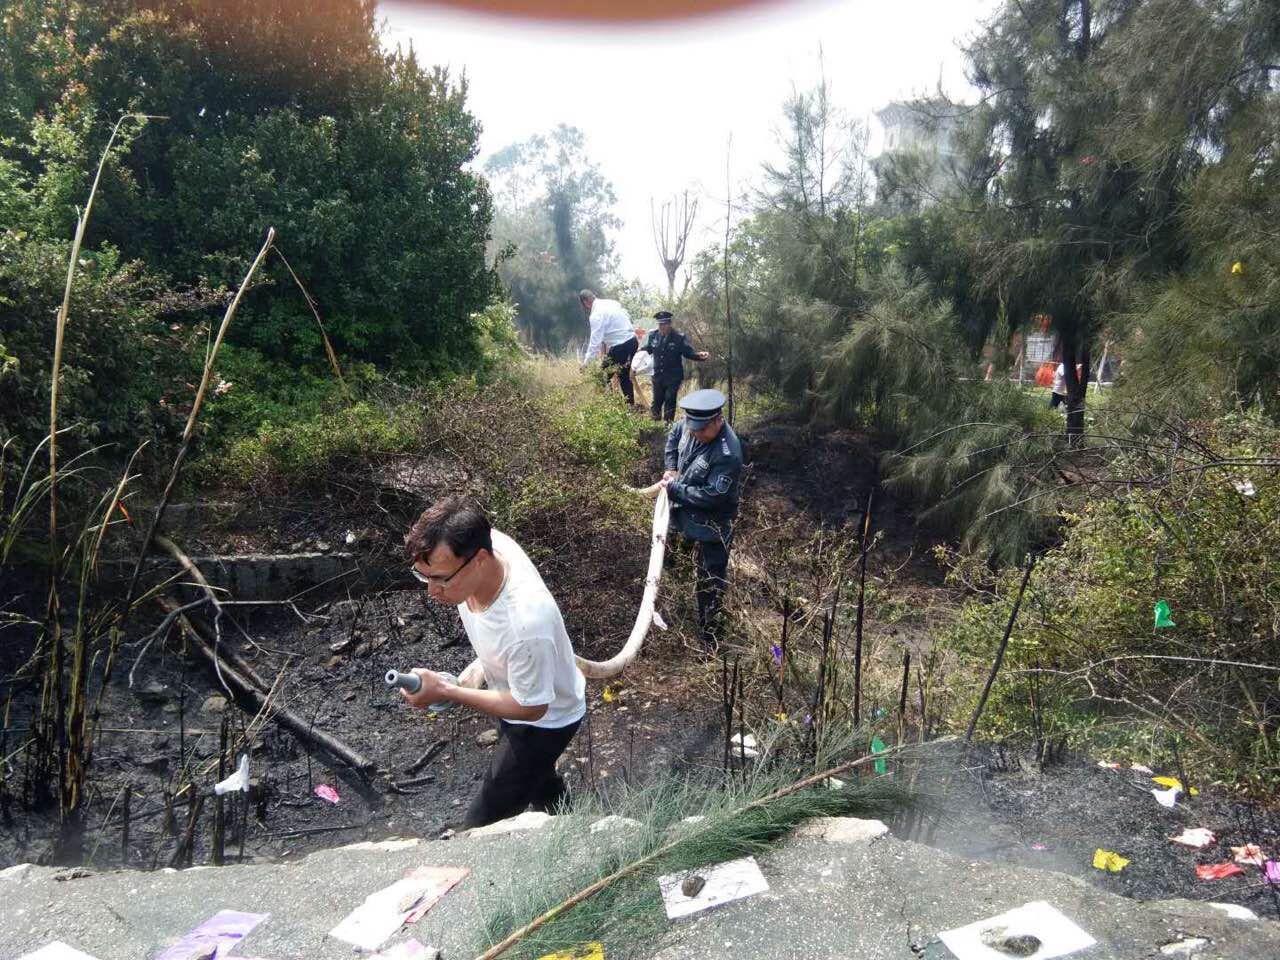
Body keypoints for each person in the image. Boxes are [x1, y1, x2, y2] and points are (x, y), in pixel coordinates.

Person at [401, 496, 586, 828]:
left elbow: (532, 708)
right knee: (539, 781)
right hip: (516, 692)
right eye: (424, 576)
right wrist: (474, 673)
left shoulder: (526, 624)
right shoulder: (487, 544)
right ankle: (573, 828)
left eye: (441, 578)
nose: (432, 591)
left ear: (480, 560)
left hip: (546, 722)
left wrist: (447, 691)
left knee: (482, 822)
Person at [657, 389, 743, 650]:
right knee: (670, 560)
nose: (694, 433)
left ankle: (710, 640)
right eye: (692, 428)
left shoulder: (728, 454)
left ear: (718, 420)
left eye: (701, 430)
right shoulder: (692, 424)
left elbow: (711, 496)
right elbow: (674, 436)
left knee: (710, 582)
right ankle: (672, 608)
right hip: (682, 512)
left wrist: (675, 489)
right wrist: (671, 467)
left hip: (712, 523)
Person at [636, 310, 710, 422]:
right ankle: (655, 426)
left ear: (670, 324)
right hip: (657, 376)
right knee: (656, 402)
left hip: (673, 377)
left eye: (665, 324)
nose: (662, 327)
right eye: (660, 324)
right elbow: (649, 348)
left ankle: (668, 426)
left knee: (670, 401)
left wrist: (698, 356)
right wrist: (639, 351)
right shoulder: (653, 335)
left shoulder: (679, 337)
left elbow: (687, 352)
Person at [579, 289, 637, 405]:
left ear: (585, 302)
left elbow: (595, 342)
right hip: (632, 341)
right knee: (622, 374)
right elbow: (626, 316)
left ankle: (614, 405)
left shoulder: (596, 315)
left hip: (621, 345)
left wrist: (586, 363)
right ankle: (626, 405)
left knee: (604, 375)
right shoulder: (611, 302)